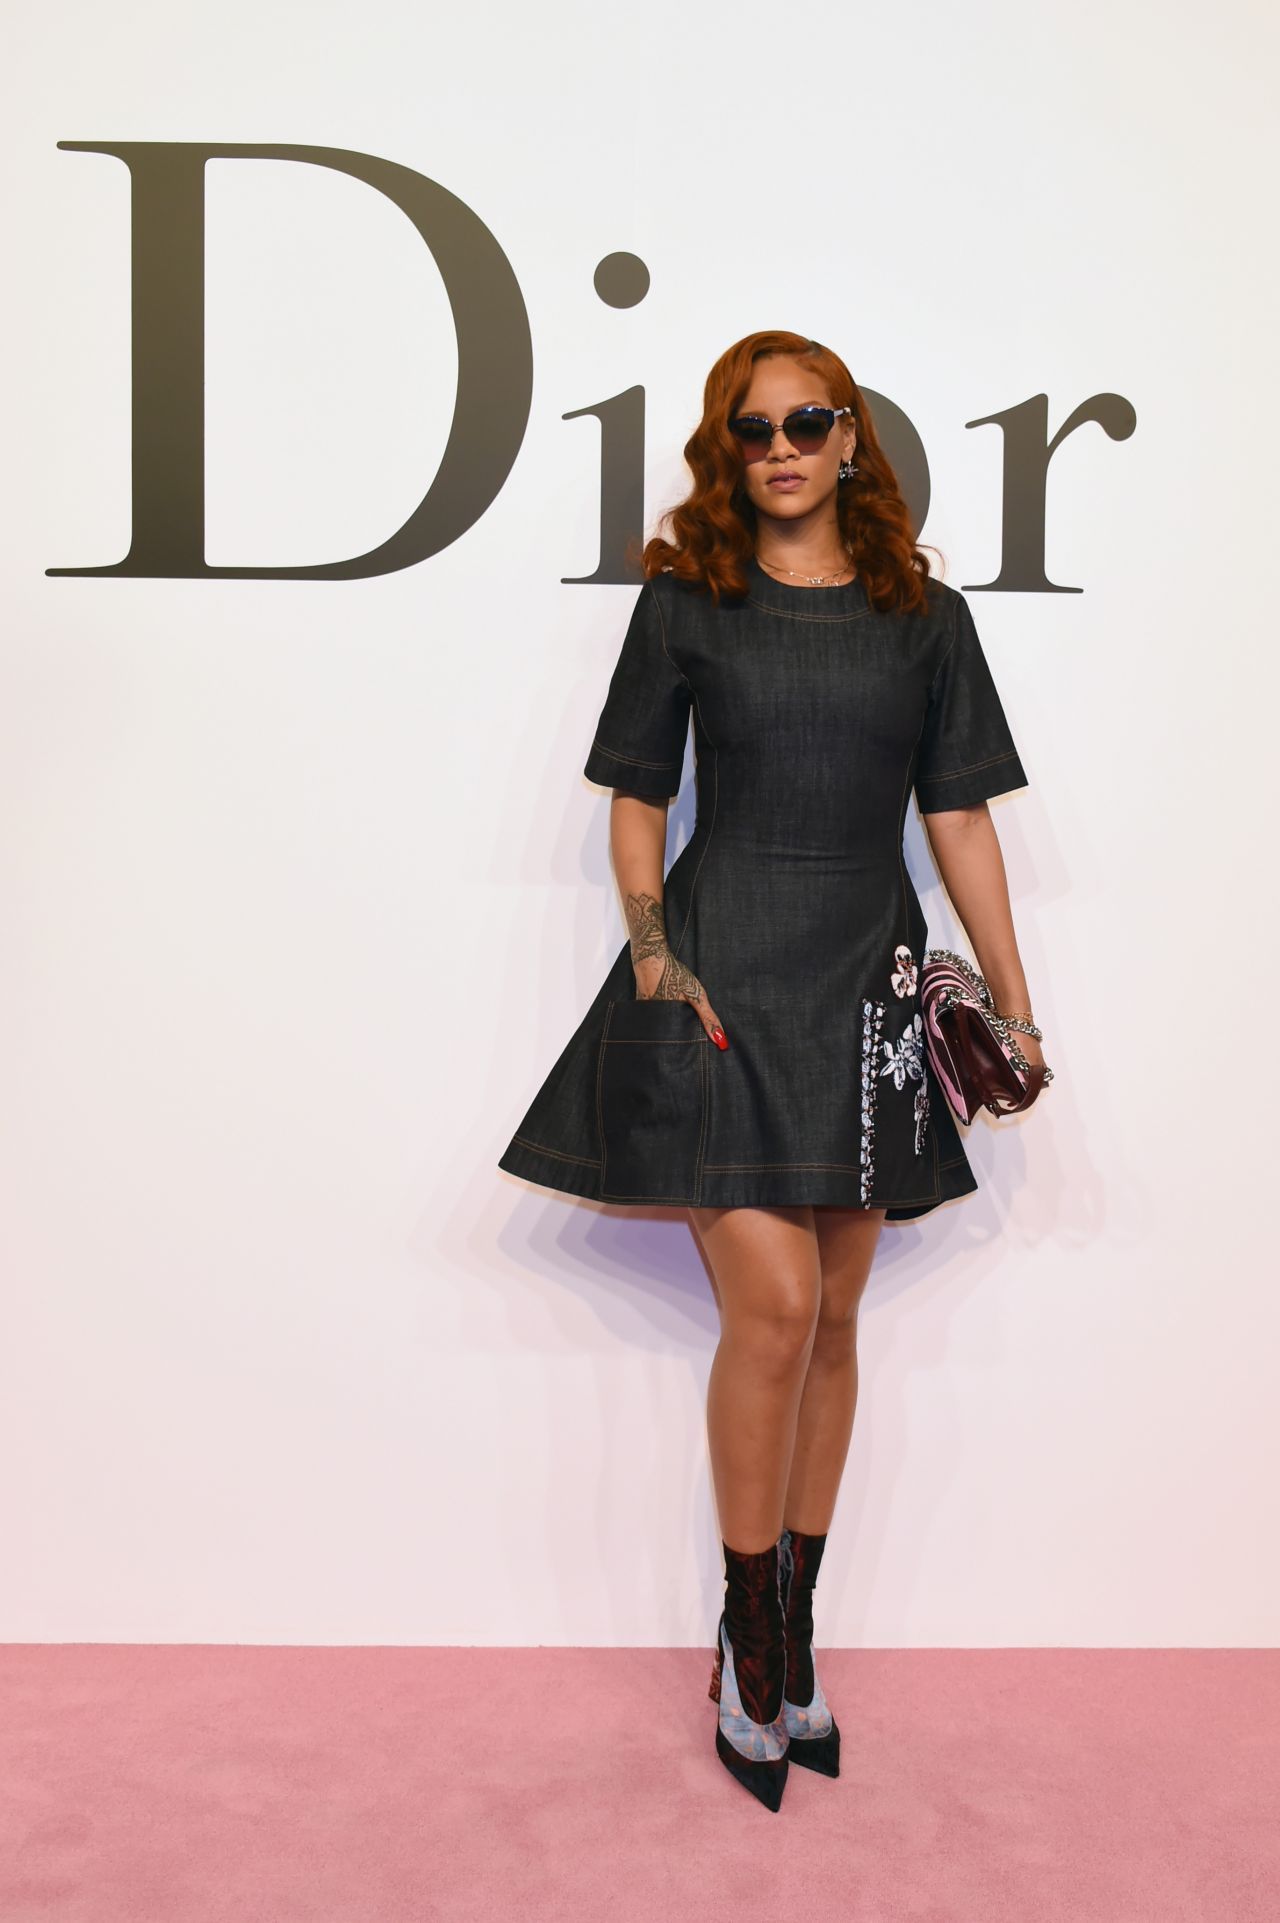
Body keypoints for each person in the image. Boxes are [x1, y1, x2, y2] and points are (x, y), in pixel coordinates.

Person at [497, 328, 1048, 1812]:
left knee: (839, 1316)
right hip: (723, 974)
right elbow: (636, 797)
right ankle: (748, 1646)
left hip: (867, 980)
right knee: (780, 1306)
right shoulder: (689, 601)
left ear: (852, 437)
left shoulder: (924, 617)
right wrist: (655, 956)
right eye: (754, 430)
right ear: (726, 450)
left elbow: (960, 818)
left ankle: (792, 1638)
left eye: (809, 422)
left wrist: (1012, 999)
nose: (783, 448)